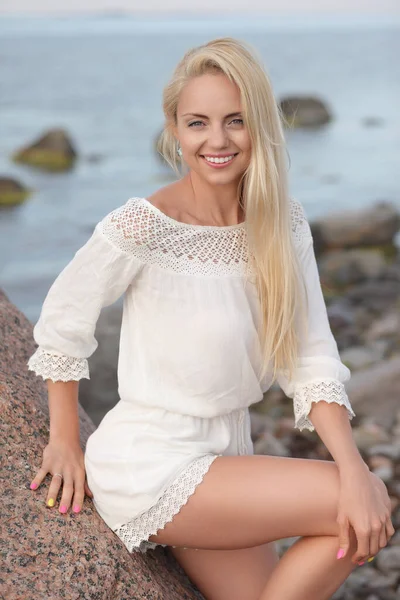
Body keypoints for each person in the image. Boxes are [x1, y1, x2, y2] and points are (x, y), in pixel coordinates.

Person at [27, 37, 394, 600]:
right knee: (353, 504)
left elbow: (312, 355)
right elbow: (63, 319)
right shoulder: (144, 226)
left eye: (235, 121)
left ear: (260, 128)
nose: (217, 140)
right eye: (197, 122)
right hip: (152, 460)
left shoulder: (283, 224)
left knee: (344, 521)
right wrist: (64, 439)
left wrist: (353, 463)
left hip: (229, 456)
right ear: (174, 130)